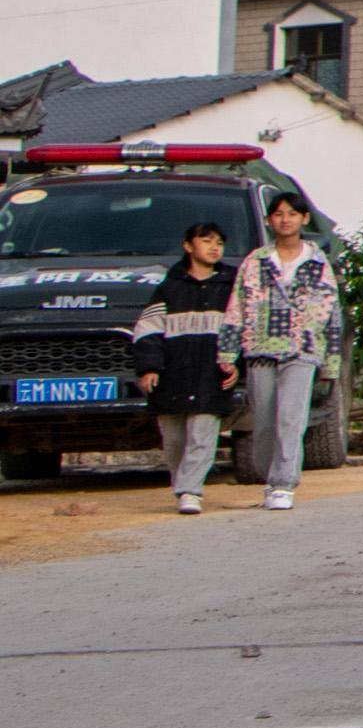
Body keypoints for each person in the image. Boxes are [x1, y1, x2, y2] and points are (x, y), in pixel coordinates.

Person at [231, 191, 341, 512]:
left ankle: (283, 483)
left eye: (292, 214)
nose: (285, 219)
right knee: (264, 419)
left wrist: (331, 363)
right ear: (269, 220)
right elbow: (235, 310)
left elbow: (332, 315)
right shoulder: (255, 262)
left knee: (291, 418)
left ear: (304, 219)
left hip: (303, 350)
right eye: (278, 214)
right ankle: (270, 477)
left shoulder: (318, 263)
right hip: (260, 349)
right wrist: (226, 355)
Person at [132, 219, 237, 515]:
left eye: (219, 242)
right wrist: (149, 368)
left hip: (211, 373)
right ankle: (182, 486)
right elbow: (148, 330)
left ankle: (191, 491)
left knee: (202, 434)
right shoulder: (169, 288)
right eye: (206, 241)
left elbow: (242, 327)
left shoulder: (232, 285)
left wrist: (234, 363)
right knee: (175, 438)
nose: (214, 247)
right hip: (172, 375)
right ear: (188, 246)